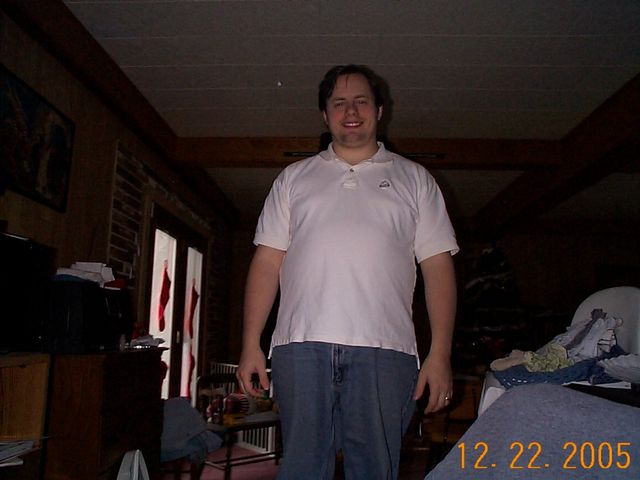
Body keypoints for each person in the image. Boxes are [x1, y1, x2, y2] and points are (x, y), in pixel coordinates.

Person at [237, 64, 459, 479]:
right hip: (300, 347)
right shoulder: (292, 179)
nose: (351, 111)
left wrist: (440, 354)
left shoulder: (416, 180)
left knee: (375, 469)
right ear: (325, 115)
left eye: (361, 101)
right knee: (302, 469)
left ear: (379, 110)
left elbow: (438, 268)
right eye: (339, 103)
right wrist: (251, 343)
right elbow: (266, 262)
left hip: (387, 350)